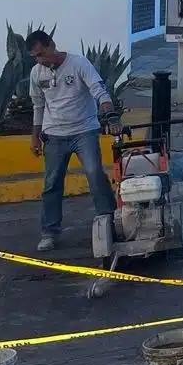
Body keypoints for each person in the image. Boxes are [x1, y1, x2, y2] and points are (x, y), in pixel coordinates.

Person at [27, 30, 118, 251]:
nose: (40, 60)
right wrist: (35, 137)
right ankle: (49, 232)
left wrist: (110, 112)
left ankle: (110, 221)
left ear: (52, 46)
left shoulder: (78, 63)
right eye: (35, 57)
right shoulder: (36, 73)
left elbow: (98, 89)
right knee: (51, 183)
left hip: (84, 131)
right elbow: (38, 106)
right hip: (54, 135)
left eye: (41, 54)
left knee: (95, 173)